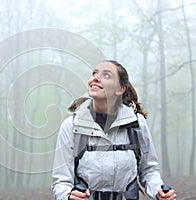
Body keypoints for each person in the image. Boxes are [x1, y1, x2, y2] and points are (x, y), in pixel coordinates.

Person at [51, 60, 176, 200]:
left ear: (120, 89)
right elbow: (61, 181)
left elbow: (149, 171)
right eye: (94, 73)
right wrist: (68, 196)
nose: (95, 78)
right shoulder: (71, 126)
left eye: (106, 75)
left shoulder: (137, 124)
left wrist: (159, 191)